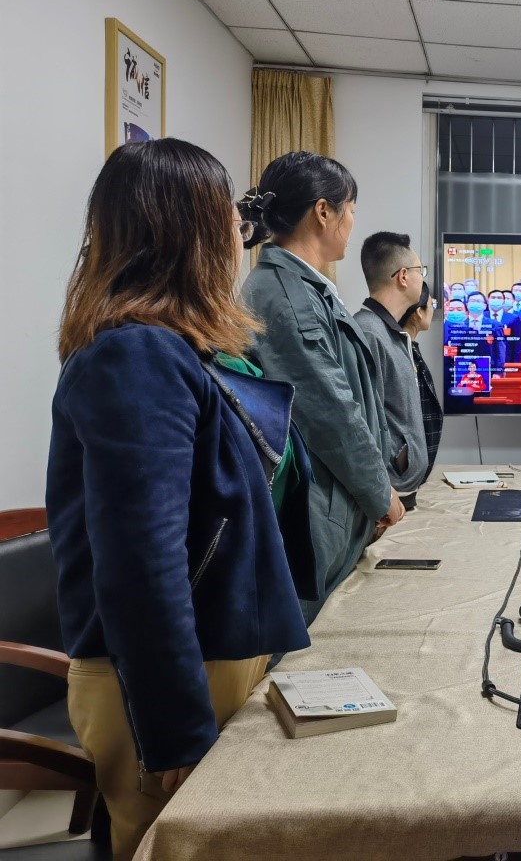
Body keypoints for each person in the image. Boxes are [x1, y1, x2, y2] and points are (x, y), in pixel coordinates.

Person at [46, 139, 314, 858]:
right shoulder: (135, 355)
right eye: (230, 215)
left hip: (208, 658)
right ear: (191, 229)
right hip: (169, 681)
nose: (240, 233)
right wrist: (176, 729)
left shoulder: (173, 347)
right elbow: (141, 562)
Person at [241, 151, 404, 623]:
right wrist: (380, 494)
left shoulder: (306, 287)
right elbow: (331, 413)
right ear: (323, 212)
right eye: (350, 209)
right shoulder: (285, 296)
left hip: (337, 502)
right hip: (315, 511)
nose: (352, 222)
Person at [353, 232, 431, 509]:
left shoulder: (390, 332)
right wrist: (381, 492)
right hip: (388, 497)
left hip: (400, 491)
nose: (422, 277)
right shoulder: (369, 333)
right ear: (403, 276)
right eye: (420, 270)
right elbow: (361, 424)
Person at [402, 282, 443, 484]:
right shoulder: (401, 351)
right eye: (432, 304)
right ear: (419, 312)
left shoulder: (410, 348)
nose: (434, 309)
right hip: (404, 475)